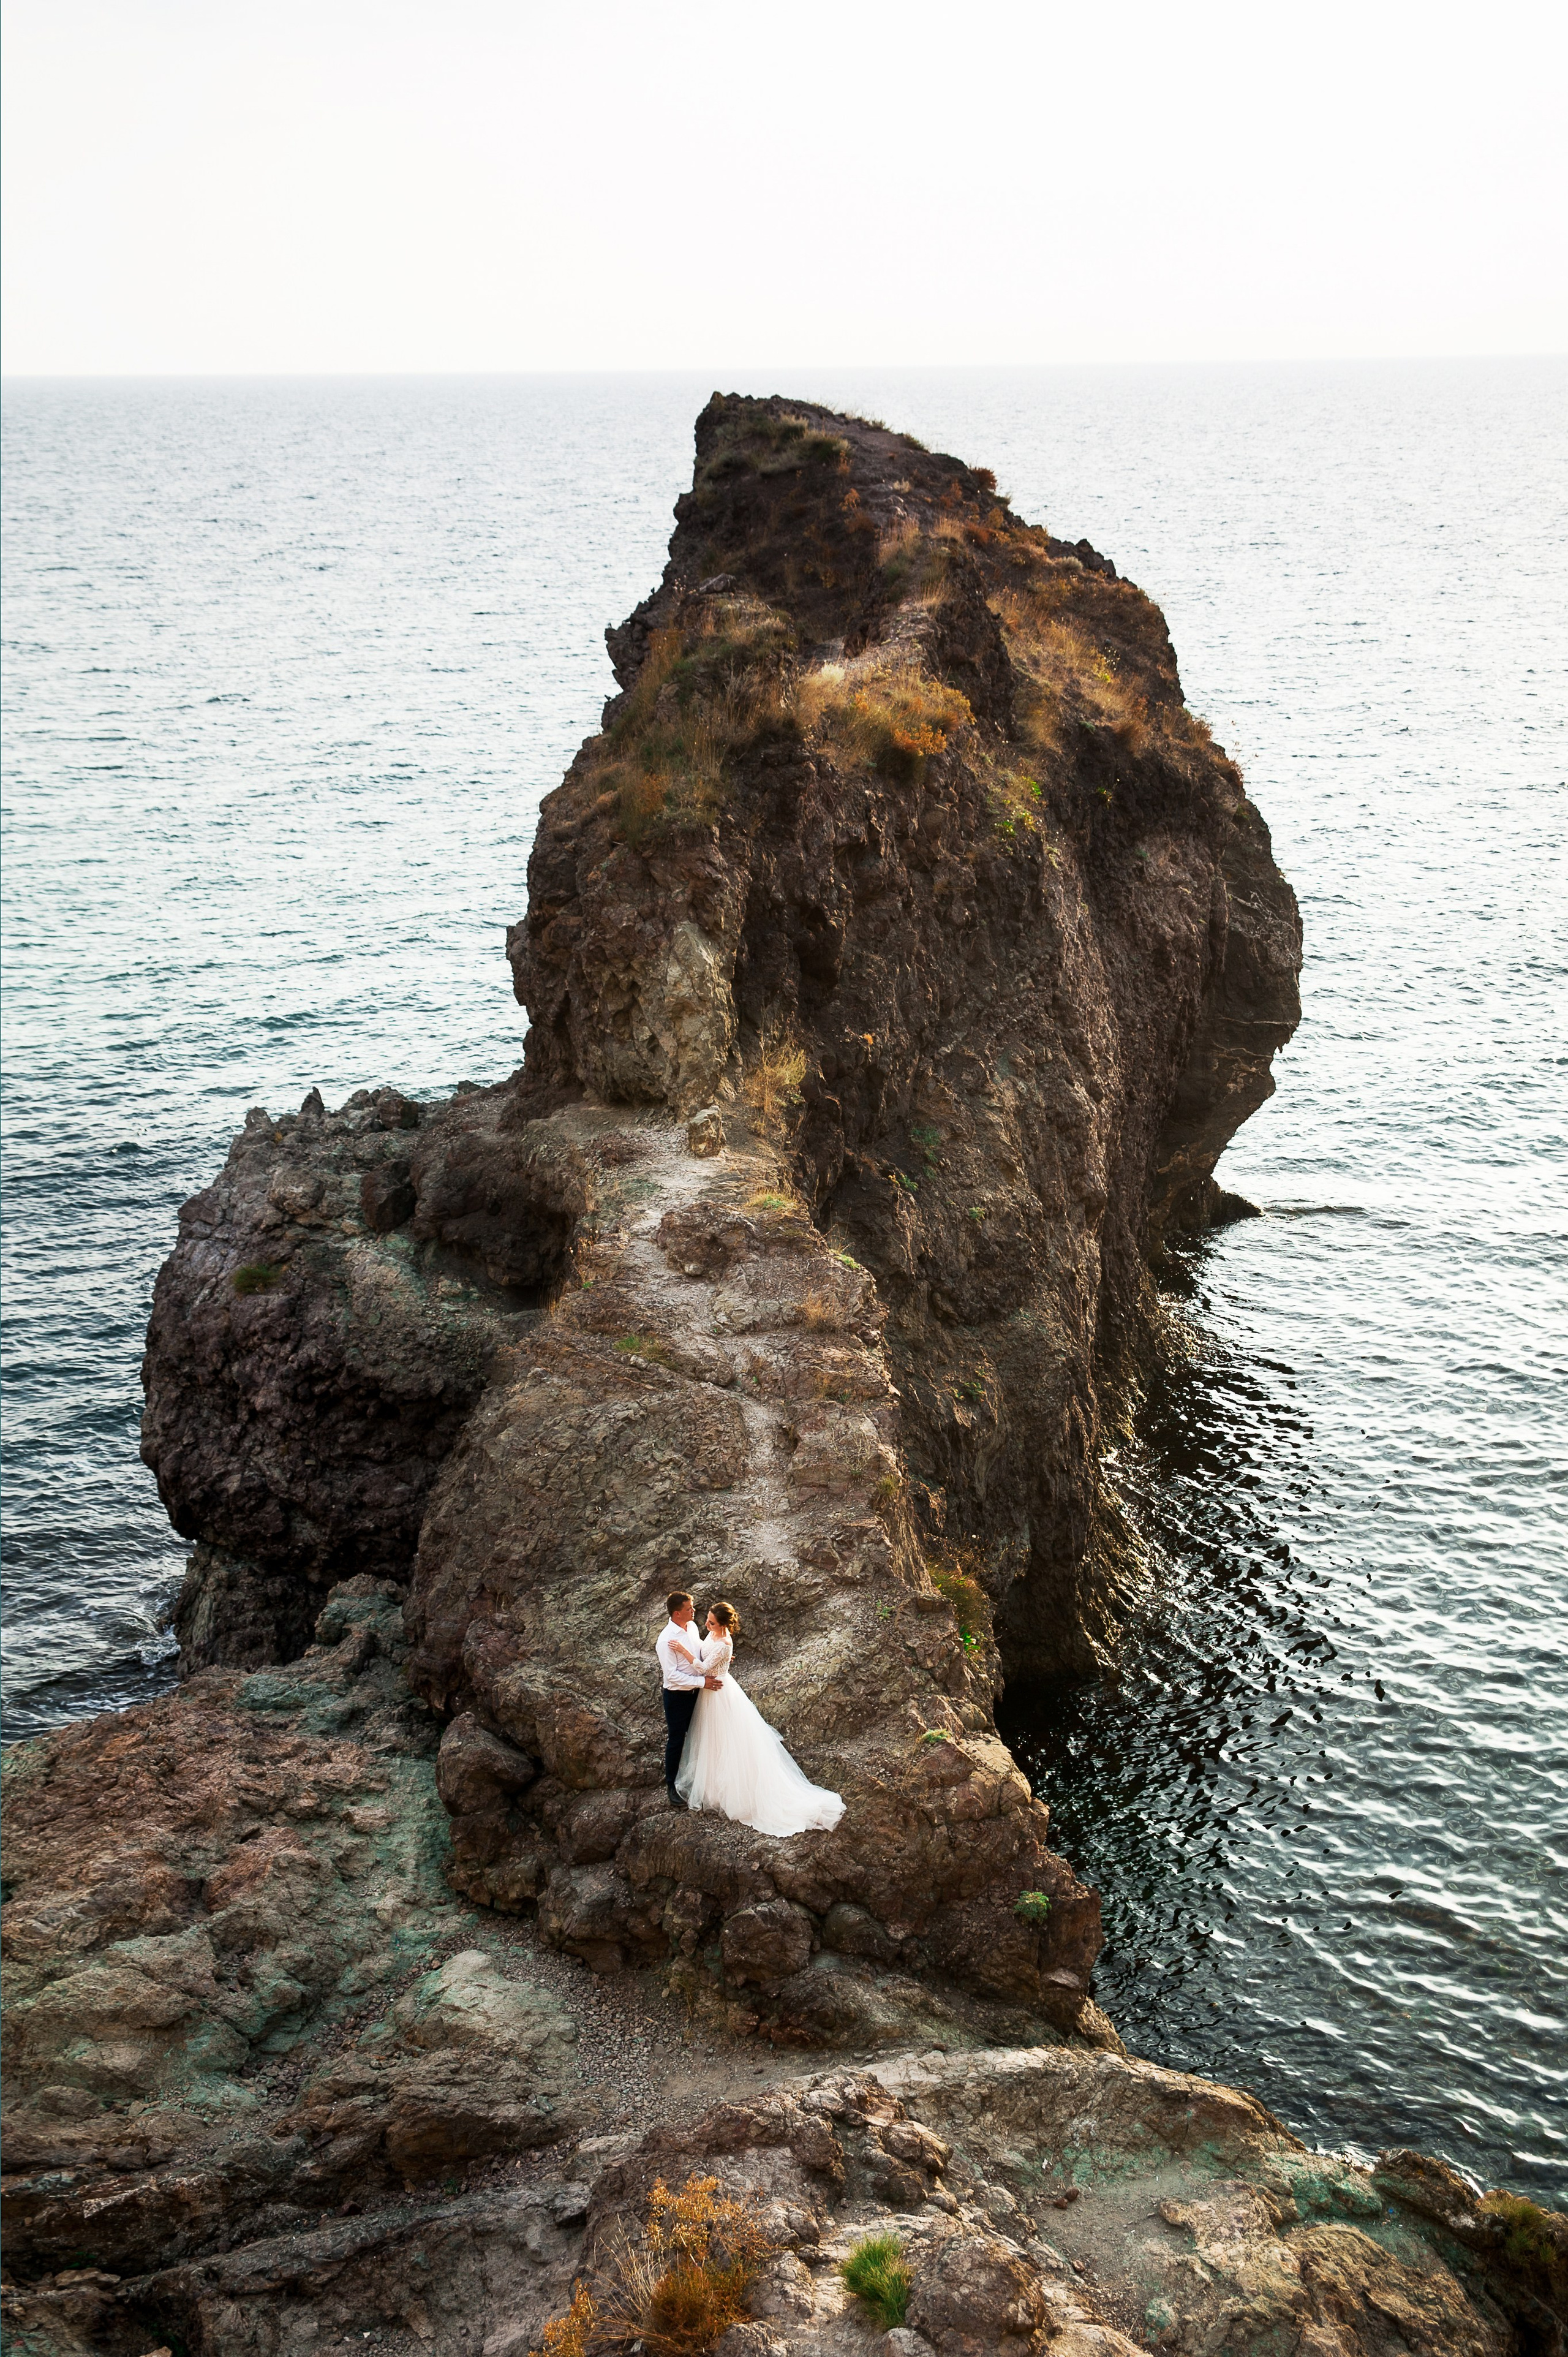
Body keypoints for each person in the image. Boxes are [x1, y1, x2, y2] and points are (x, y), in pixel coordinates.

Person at [671, 1600, 844, 1837]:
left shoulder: (724, 1643)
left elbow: (702, 1668)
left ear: (723, 1625)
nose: (706, 1624)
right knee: (713, 1741)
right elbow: (707, 1652)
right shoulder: (714, 1637)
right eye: (707, 1620)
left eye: (711, 1622)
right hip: (710, 1694)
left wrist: (684, 1652)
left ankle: (738, 1791)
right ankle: (713, 1788)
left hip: (720, 1695)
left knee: (729, 1740)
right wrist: (717, 1658)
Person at [655, 1591, 716, 1809]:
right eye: (690, 1608)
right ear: (677, 1613)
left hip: (698, 1693)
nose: (694, 1611)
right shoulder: (665, 1641)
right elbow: (672, 1677)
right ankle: (671, 1786)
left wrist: (718, 1655)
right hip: (677, 1697)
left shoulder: (690, 1627)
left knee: (701, 1734)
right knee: (677, 1739)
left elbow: (698, 1650)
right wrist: (702, 1683)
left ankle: (698, 1780)